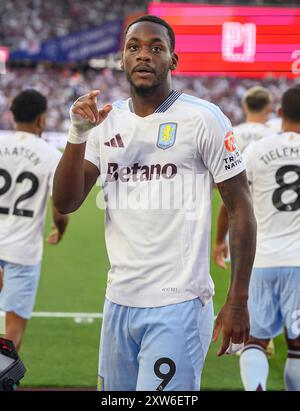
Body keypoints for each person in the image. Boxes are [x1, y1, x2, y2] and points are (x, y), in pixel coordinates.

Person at [53, 15, 256, 391]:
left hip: (179, 302)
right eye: (134, 48)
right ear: (122, 59)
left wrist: (238, 299)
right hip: (119, 300)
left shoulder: (203, 118)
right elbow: (66, 201)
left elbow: (240, 205)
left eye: (156, 48)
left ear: (173, 61)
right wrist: (77, 133)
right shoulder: (105, 121)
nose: (144, 55)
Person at [239, 86, 300, 391]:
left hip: (261, 260)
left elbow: (235, 199)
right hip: (299, 261)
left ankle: (256, 388)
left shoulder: (257, 150)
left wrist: (222, 242)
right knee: (297, 346)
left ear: (279, 114)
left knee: (256, 341)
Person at [0, 89, 69, 351]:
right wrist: (59, 229)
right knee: (12, 333)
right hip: (22, 251)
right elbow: (60, 208)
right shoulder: (51, 155)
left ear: (12, 115)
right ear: (41, 120)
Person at [214, 86, 275, 357]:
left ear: (244, 105)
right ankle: (262, 332)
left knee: (243, 277)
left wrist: (218, 239)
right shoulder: (276, 136)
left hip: (239, 218)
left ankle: (248, 336)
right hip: (273, 220)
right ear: (269, 108)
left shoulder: (232, 134)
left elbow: (223, 189)